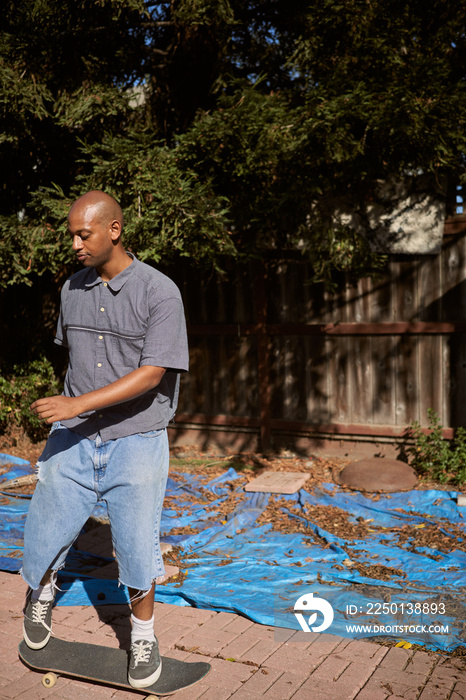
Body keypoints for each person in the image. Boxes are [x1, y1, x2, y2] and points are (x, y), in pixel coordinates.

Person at [21, 190, 189, 689]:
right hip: (73, 435)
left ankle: (142, 634)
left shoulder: (160, 292)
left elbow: (152, 374)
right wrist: (67, 413)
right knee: (49, 523)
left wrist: (76, 404)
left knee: (137, 544)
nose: (74, 243)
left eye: (83, 234)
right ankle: (42, 595)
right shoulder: (72, 289)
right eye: (71, 234)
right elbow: (72, 357)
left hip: (135, 435)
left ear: (113, 230)